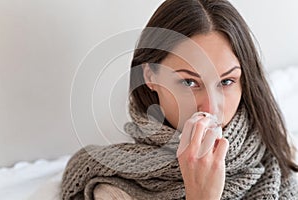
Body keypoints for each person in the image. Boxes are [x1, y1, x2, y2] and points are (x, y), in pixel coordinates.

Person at [61, 0, 298, 199]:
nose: (211, 108)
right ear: (150, 76)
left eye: (226, 82)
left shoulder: (280, 147)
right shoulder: (113, 187)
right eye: (189, 82)